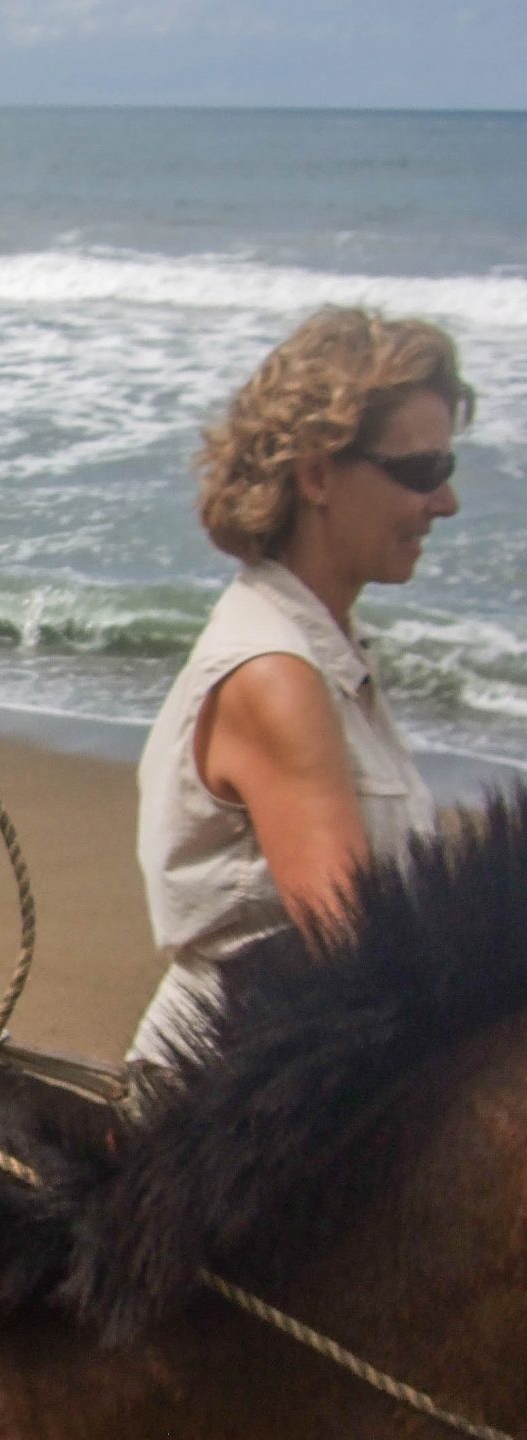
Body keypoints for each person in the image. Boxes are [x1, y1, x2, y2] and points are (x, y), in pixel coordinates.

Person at [128, 307, 475, 1066]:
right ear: (317, 474)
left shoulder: (323, 646)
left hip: (276, 1079)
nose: (444, 502)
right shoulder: (276, 673)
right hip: (229, 1109)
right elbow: (355, 957)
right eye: (421, 472)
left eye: (445, 471)